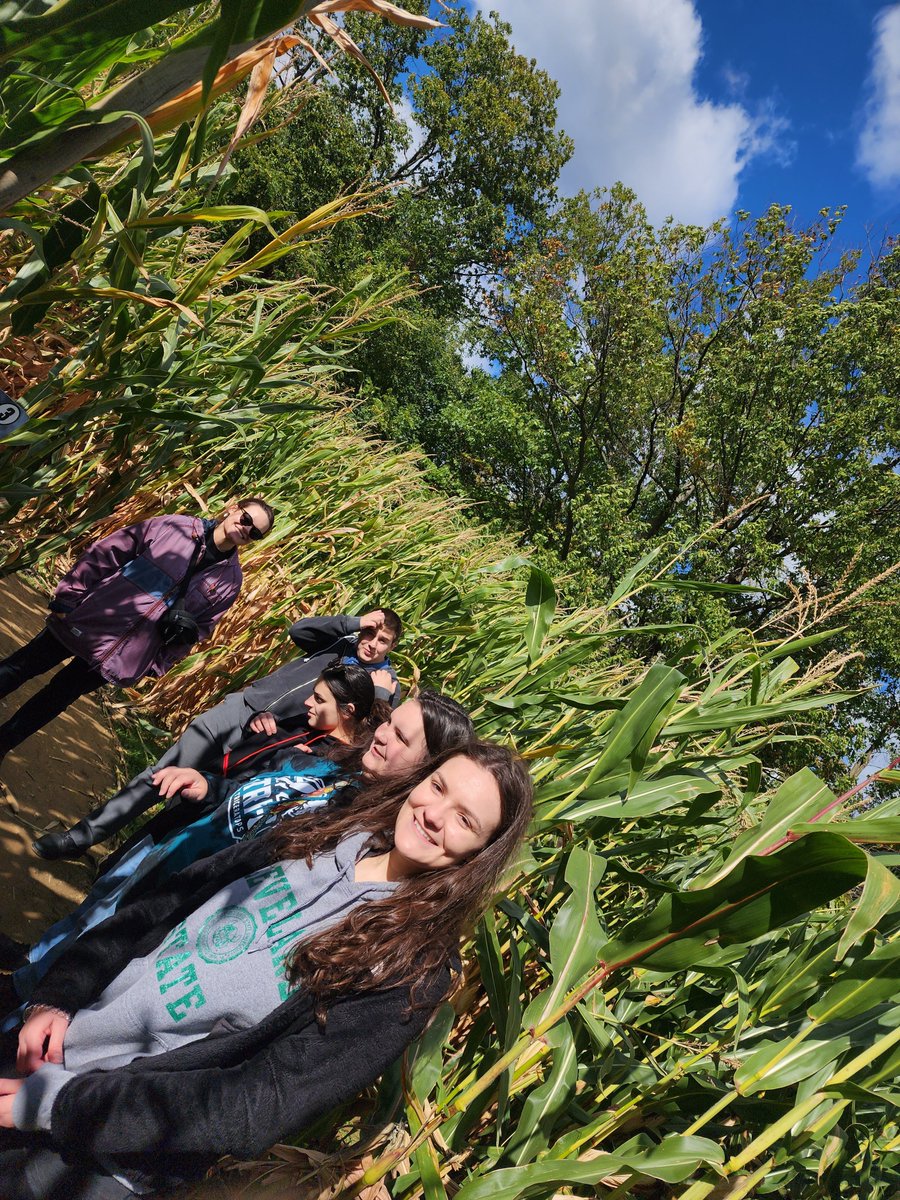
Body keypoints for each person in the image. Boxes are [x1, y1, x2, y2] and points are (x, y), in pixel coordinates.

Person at [0, 741, 533, 1199]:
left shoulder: (410, 968)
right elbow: (165, 903)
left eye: (466, 820)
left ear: (481, 854)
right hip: (53, 1044)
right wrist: (59, 995)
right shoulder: (326, 831)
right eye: (438, 787)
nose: (435, 814)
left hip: (102, 1149)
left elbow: (259, 1103)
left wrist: (66, 1105)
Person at [2, 685, 476, 1013]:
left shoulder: (361, 832)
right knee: (85, 925)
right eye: (390, 722)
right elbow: (254, 796)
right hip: (172, 854)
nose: (384, 735)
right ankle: (23, 979)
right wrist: (206, 786)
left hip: (182, 903)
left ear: (428, 769)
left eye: (402, 738)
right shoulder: (336, 767)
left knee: (82, 966)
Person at [32, 605, 402, 861]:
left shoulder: (383, 685)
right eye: (369, 633)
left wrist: (382, 695)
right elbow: (298, 631)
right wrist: (352, 623)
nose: (371, 643)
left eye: (381, 640)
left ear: (392, 647)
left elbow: (367, 737)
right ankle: (83, 836)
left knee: (193, 806)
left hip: (275, 747)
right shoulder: (338, 641)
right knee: (165, 772)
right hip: (241, 712)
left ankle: (119, 863)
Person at [0, 499, 276, 770]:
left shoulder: (230, 581)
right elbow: (109, 551)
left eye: (254, 533)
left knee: (53, 700)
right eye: (246, 519)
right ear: (232, 509)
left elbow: (200, 629)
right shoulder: (175, 528)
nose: (245, 529)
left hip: (125, 654)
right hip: (91, 619)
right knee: (22, 666)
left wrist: (158, 663)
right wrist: (69, 595)